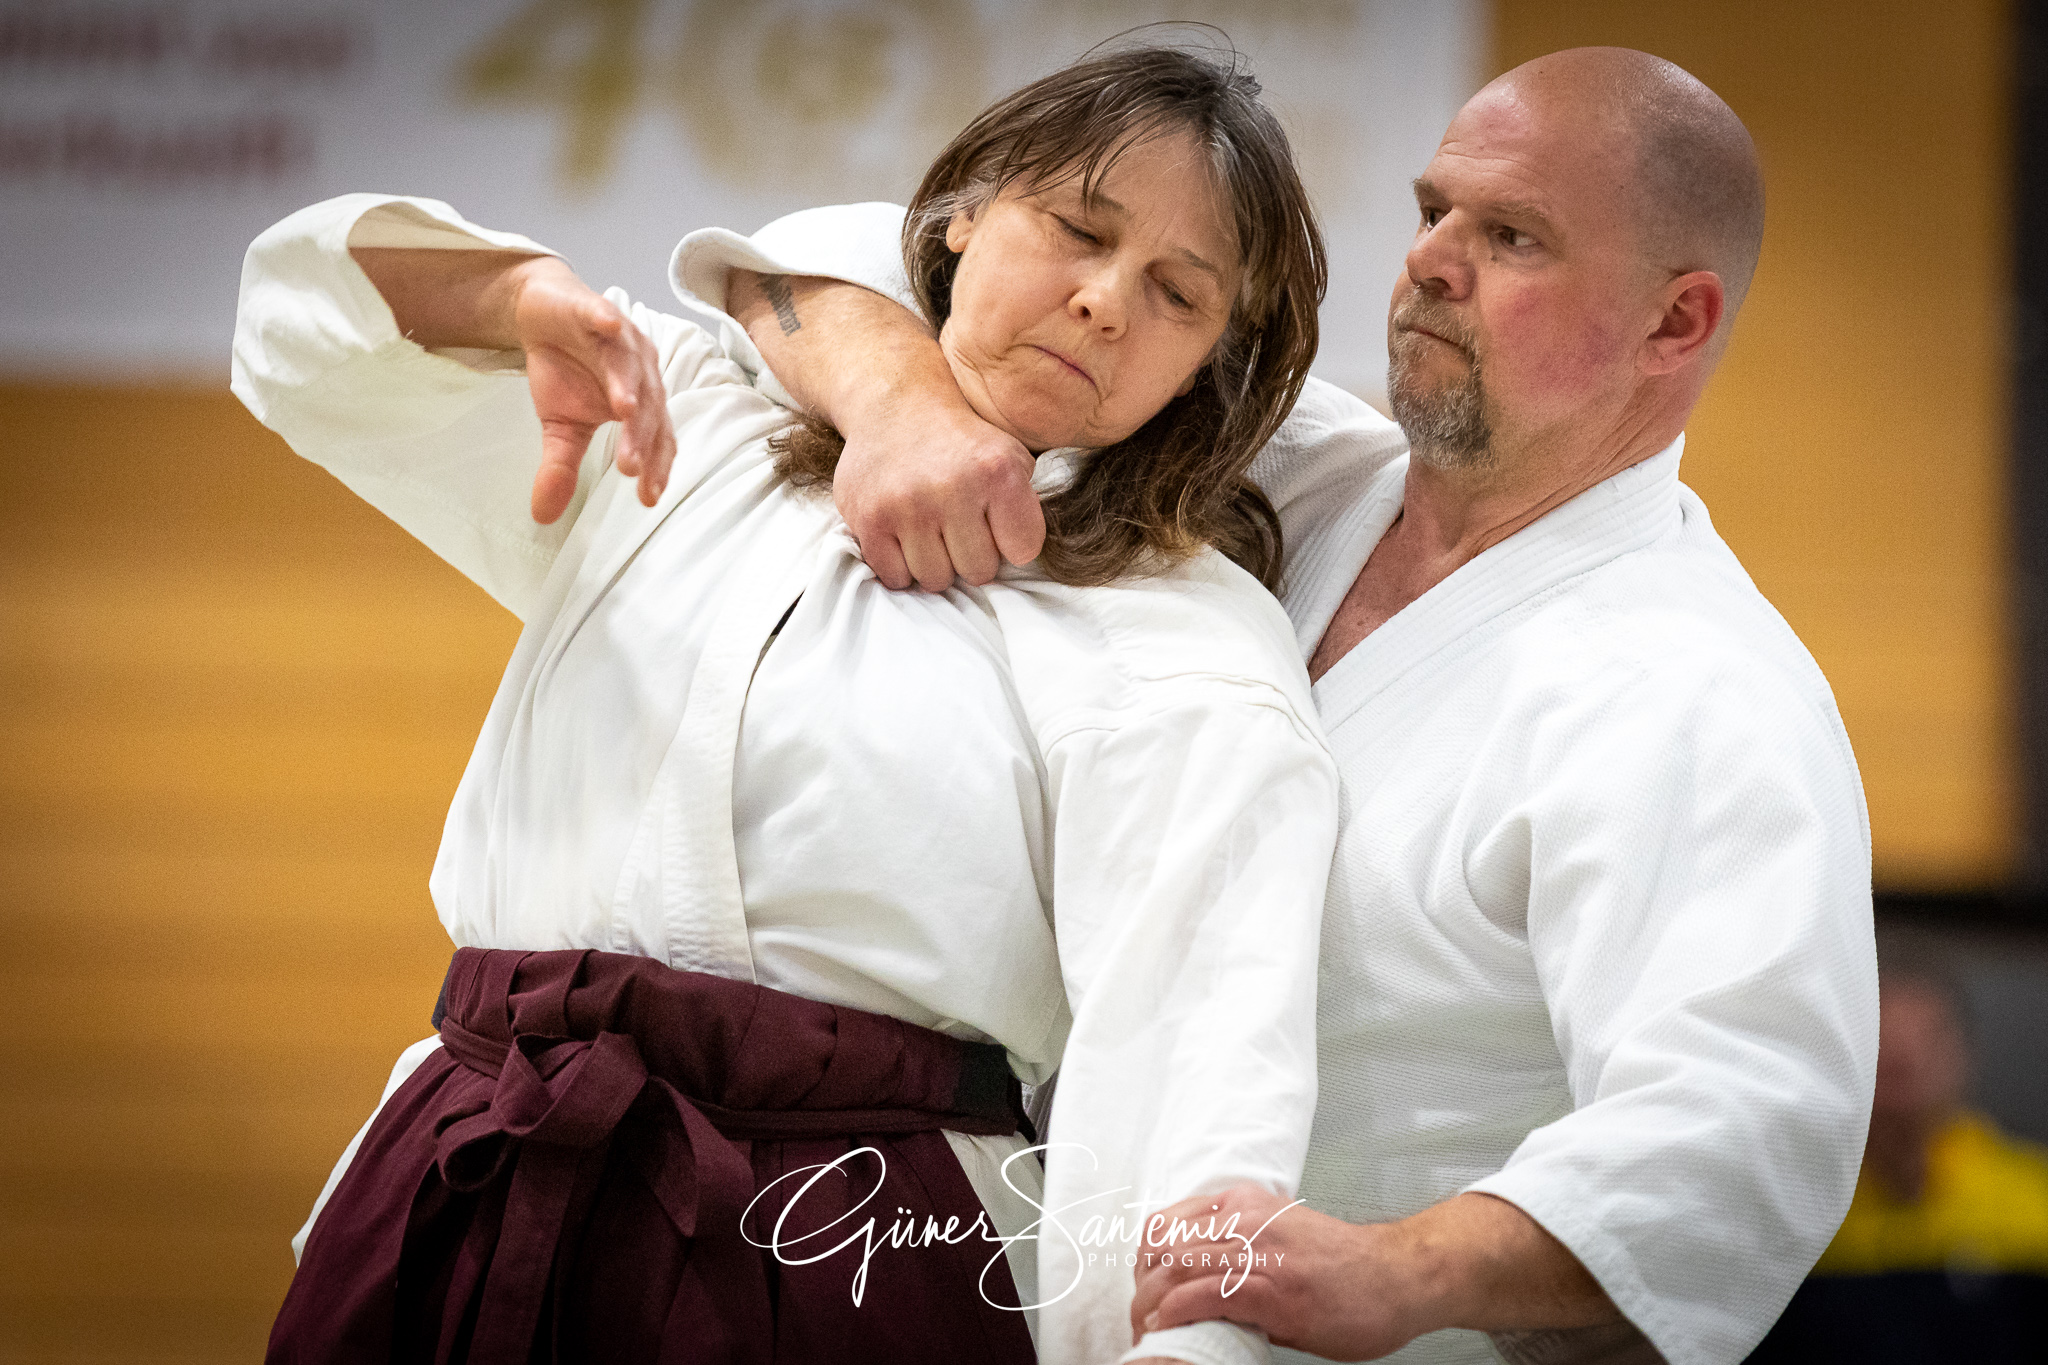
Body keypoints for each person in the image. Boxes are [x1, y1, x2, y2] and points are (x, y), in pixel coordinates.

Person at [690, 45, 1879, 1364]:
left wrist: (1407, 1267)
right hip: (1053, 1282)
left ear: (1675, 323)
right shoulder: (1298, 473)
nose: (1432, 262)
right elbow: (844, 256)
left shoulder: (1699, 687)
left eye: (1513, 237)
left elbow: (1751, 1123)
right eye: (1435, 213)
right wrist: (899, 403)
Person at [232, 48, 1340, 1365]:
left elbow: (1195, 1088)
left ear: (1214, 360)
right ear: (961, 220)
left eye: (1177, 293)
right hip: (471, 1172)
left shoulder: (1188, 640)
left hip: (853, 1249)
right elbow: (294, 330)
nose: (1104, 301)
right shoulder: (681, 425)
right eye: (1078, 228)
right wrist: (511, 291)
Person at [1748, 935, 2048, 1362]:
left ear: (1965, 1054)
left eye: (1927, 1042)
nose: (1904, 1065)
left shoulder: (2036, 1198)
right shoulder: (1796, 1210)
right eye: (1883, 1044)